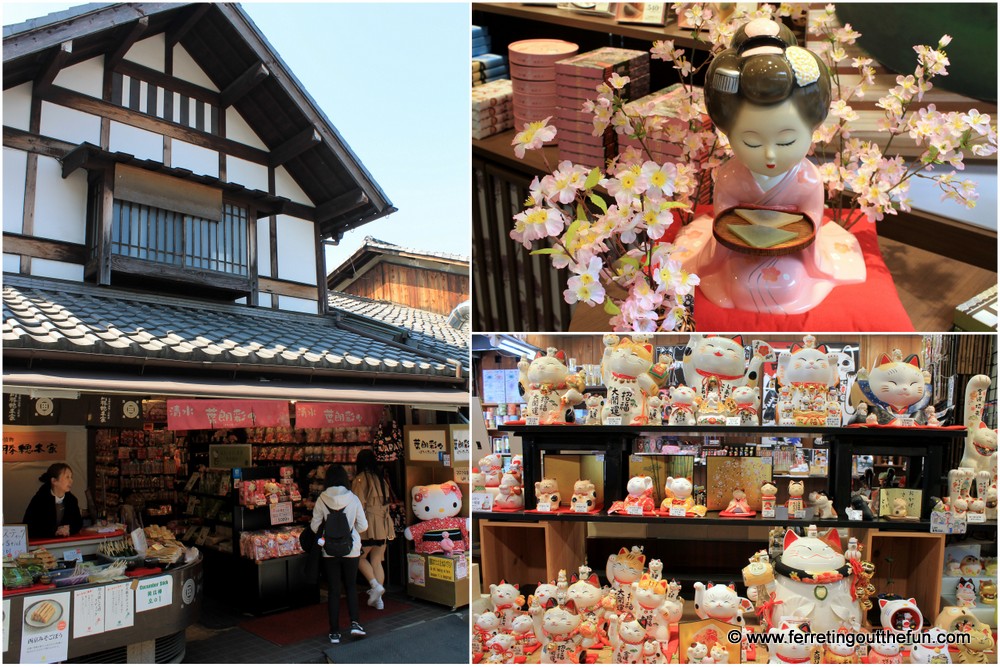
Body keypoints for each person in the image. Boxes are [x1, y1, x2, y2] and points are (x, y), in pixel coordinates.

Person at [311, 464, 368, 644]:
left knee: (334, 590)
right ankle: (355, 623)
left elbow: (314, 526)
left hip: (329, 550)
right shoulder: (353, 499)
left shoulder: (322, 499)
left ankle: (334, 632)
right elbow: (363, 526)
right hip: (351, 549)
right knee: (351, 586)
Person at [352, 449, 394, 609]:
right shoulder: (381, 479)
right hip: (383, 524)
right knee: (377, 560)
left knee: (359, 557)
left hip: (368, 525)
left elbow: (358, 504)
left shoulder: (360, 480)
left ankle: (375, 586)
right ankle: (379, 599)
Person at [23, 463, 83, 538]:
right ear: (54, 481)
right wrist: (55, 531)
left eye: (71, 477)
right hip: (43, 545)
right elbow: (29, 526)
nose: (71, 481)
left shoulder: (72, 500)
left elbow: (78, 523)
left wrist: (69, 529)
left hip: (66, 543)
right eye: (67, 477)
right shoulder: (39, 499)